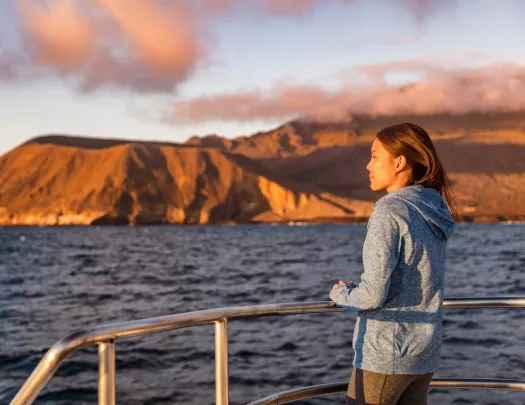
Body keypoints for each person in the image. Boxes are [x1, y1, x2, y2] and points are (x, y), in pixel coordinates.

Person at [330, 122, 457, 405]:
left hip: (386, 354)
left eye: (375, 156)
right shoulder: (433, 208)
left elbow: (373, 294)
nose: (367, 165)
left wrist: (342, 294)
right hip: (423, 353)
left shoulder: (390, 210)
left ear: (399, 162)